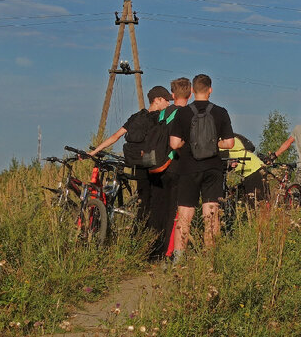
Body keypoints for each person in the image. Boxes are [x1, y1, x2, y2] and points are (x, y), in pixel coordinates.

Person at [90, 84, 177, 261]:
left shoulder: (135, 117)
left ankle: (137, 244)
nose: (168, 103)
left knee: (142, 204)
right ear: (157, 100)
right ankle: (153, 249)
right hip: (154, 167)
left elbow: (116, 136)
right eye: (166, 100)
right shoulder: (159, 119)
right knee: (154, 207)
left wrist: (94, 151)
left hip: (137, 166)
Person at [171, 74, 234, 256]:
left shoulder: (182, 113)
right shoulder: (220, 112)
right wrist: (214, 144)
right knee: (211, 214)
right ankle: (210, 257)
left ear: (192, 91)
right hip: (213, 167)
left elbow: (174, 144)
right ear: (210, 90)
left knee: (185, 213)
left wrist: (188, 144)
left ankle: (179, 259)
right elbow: (229, 143)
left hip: (188, 167)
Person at [224, 132, 267, 205]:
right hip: (250, 171)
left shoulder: (226, 140)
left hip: (254, 170)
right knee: (249, 202)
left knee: (258, 203)